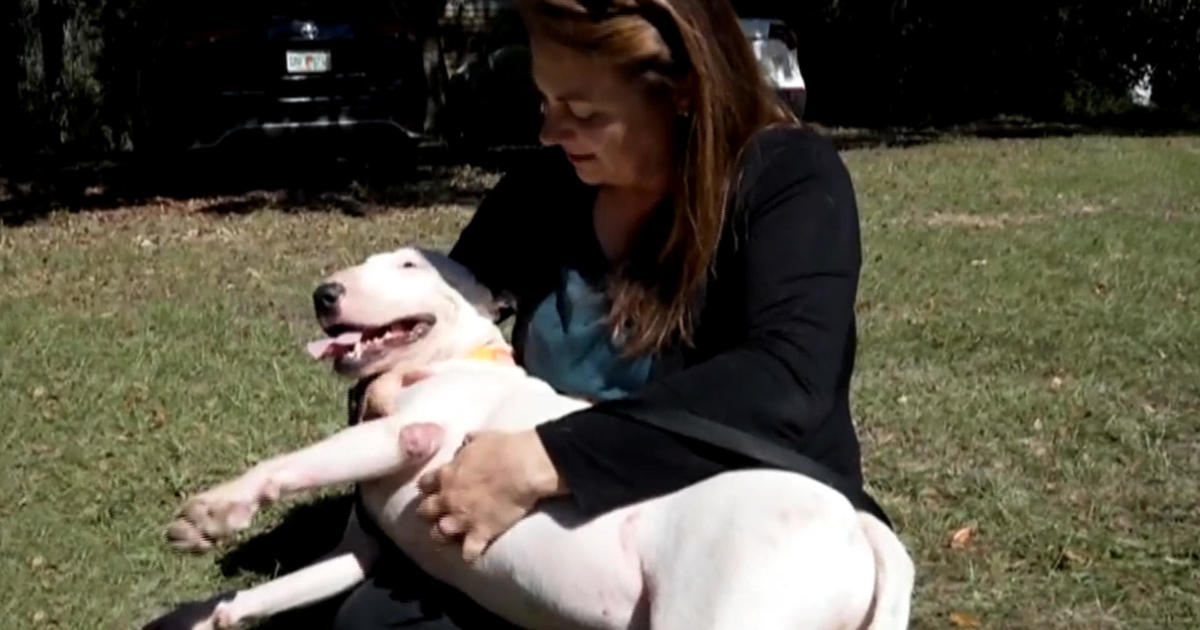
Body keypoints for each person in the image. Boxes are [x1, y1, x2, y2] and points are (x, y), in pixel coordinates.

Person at [331, 0, 891, 628]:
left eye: (584, 112)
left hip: (729, 529)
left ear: (683, 90)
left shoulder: (786, 179)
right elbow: (443, 313)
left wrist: (551, 458)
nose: (549, 132)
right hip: (550, 536)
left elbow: (785, 382)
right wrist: (384, 377)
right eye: (545, 102)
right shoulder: (544, 189)